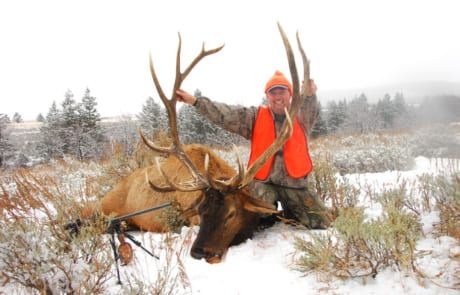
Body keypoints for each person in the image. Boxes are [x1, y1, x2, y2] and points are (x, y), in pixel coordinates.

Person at [176, 70, 332, 229]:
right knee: (248, 217)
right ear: (267, 96)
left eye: (282, 92)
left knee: (321, 222)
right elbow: (225, 114)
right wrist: (196, 101)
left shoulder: (302, 116)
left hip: (295, 185)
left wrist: (310, 95)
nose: (278, 97)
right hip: (263, 185)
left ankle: (290, 212)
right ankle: (265, 218)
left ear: (290, 94)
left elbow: (310, 105)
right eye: (273, 93)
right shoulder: (254, 117)